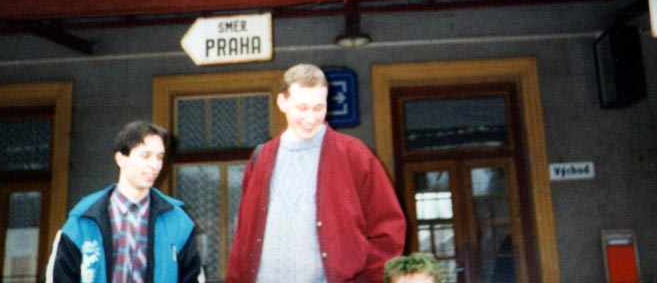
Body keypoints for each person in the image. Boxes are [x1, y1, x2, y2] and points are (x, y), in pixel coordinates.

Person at [226, 63, 406, 283]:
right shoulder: (260, 158)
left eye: (318, 108)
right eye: (302, 108)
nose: (311, 118)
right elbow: (243, 237)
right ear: (282, 102)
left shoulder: (355, 155)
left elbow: (389, 231)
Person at [45, 120, 202, 283]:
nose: (155, 165)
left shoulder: (178, 221)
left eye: (159, 157)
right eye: (146, 156)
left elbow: (193, 277)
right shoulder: (82, 221)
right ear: (121, 159)